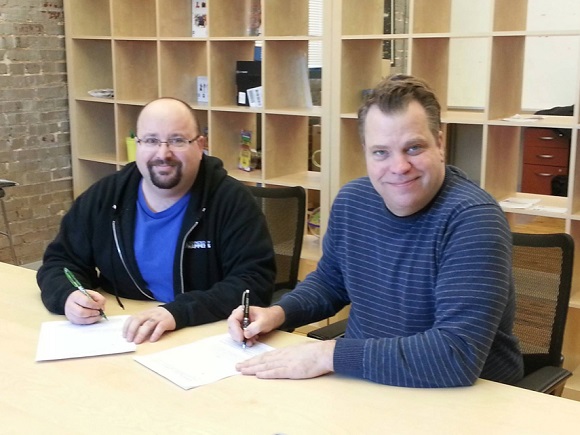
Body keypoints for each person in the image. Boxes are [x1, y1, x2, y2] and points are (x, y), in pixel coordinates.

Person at [228, 74, 524, 388]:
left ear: (439, 143)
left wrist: (326, 355)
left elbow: (456, 355)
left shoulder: (473, 220)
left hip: (468, 398)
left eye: (413, 148)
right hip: (370, 382)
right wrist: (278, 313)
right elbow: (332, 282)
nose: (398, 167)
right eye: (381, 152)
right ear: (366, 152)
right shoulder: (355, 200)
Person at [38, 97, 276, 344]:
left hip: (204, 337)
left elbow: (253, 283)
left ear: (200, 145)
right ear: (137, 144)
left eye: (177, 140)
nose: (163, 153)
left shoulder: (231, 201)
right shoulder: (105, 196)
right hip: (123, 334)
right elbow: (61, 262)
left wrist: (178, 312)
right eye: (151, 140)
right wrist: (68, 295)